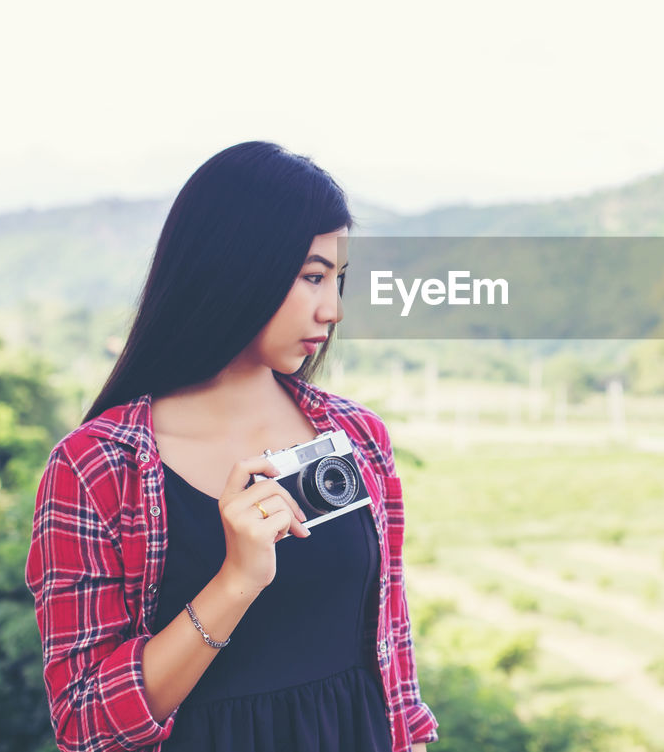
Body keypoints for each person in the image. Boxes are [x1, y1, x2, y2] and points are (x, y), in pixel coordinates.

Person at [25, 141, 438, 752]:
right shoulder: (96, 467)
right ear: (238, 266)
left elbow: (393, 668)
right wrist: (236, 581)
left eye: (338, 279)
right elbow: (86, 721)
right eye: (313, 276)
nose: (334, 309)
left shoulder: (357, 438)